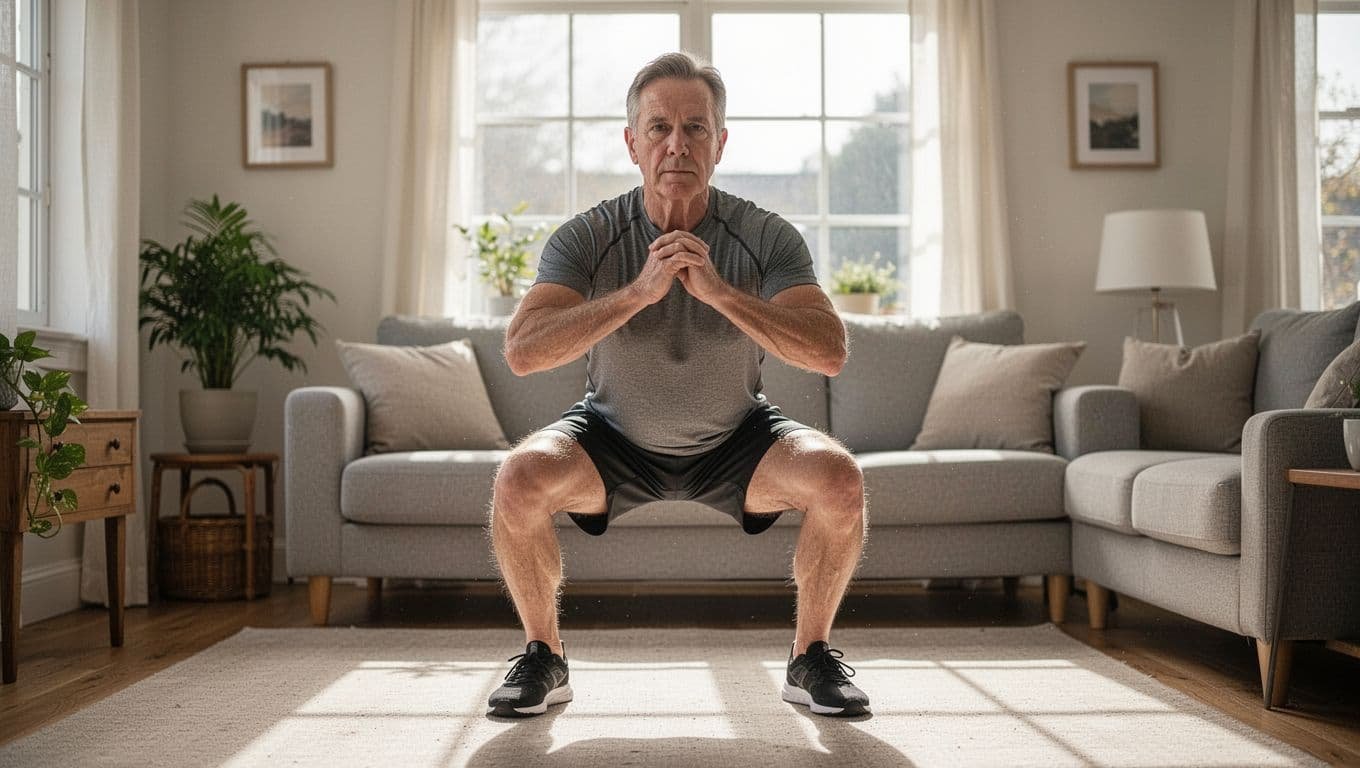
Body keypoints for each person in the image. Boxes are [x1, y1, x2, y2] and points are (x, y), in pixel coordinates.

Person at [486, 51, 869, 719]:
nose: (677, 145)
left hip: (737, 435)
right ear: (632, 143)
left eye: (696, 128)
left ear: (720, 143)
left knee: (839, 478)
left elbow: (828, 351)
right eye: (659, 127)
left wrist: (720, 292)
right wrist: (638, 292)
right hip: (611, 434)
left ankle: (810, 657)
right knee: (518, 478)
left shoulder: (765, 235)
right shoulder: (589, 236)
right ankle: (544, 655)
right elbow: (523, 351)